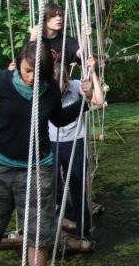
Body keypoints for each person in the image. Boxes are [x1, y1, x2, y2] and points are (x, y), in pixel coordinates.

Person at [0, 42, 102, 265]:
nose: (32, 78)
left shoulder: (50, 88)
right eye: (27, 70)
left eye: (39, 74)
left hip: (38, 167)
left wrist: (84, 102)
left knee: (39, 234)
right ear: (18, 64)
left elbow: (59, 118)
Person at [50, 57, 104, 242]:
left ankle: (84, 229)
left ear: (66, 80)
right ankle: (60, 219)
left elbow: (98, 99)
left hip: (75, 142)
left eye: (62, 84)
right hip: (51, 142)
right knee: (52, 185)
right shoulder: (43, 89)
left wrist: (93, 75)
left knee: (78, 187)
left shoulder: (75, 85)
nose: (60, 89)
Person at [26, 3, 81, 69]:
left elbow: (81, 54)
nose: (59, 18)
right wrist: (33, 37)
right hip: (40, 78)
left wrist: (84, 36)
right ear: (44, 19)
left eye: (60, 15)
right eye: (53, 16)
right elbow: (25, 60)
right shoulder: (32, 40)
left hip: (61, 79)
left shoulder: (66, 40)